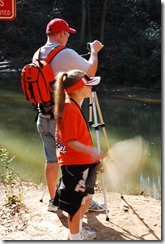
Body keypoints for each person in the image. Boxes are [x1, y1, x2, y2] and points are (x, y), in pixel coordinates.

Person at [32, 18, 105, 212]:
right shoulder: (66, 53)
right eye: (68, 34)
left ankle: (53, 201)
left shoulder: (38, 53)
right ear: (62, 34)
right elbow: (90, 71)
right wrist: (94, 52)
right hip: (66, 118)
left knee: (51, 160)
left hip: (43, 114)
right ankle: (81, 202)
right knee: (78, 162)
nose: (68, 38)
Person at [53, 69, 104, 240]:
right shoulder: (69, 108)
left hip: (84, 161)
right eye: (89, 86)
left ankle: (77, 230)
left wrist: (93, 158)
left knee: (86, 198)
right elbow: (71, 142)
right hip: (75, 165)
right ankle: (75, 237)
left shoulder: (74, 104)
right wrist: (93, 151)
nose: (91, 89)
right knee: (75, 205)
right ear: (78, 89)